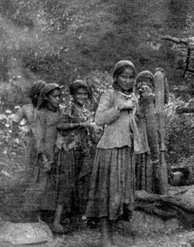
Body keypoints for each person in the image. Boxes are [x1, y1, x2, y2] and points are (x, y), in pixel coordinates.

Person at [85, 60, 141, 247]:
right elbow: (99, 119)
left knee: (119, 194)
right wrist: (120, 108)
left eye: (131, 77)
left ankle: (113, 235)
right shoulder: (109, 95)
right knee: (107, 192)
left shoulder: (133, 97)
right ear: (116, 77)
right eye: (123, 76)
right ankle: (105, 239)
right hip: (109, 150)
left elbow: (131, 124)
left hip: (125, 150)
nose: (127, 80)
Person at [54, 80, 100, 229]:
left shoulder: (85, 110)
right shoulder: (69, 108)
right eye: (79, 93)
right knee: (67, 184)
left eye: (85, 94)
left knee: (82, 184)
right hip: (70, 150)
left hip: (84, 150)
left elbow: (91, 131)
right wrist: (82, 125)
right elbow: (60, 125)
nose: (82, 96)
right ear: (73, 95)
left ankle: (77, 219)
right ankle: (56, 222)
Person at [23, 83, 64, 230]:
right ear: (46, 98)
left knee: (52, 186)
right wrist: (44, 158)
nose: (58, 99)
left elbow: (61, 129)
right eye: (54, 96)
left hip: (57, 151)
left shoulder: (60, 112)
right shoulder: (41, 114)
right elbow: (39, 137)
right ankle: (35, 217)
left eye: (59, 96)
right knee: (40, 183)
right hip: (44, 153)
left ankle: (48, 217)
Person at [10, 80, 47, 174]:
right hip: (32, 140)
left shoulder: (48, 108)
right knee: (31, 164)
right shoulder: (26, 108)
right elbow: (15, 121)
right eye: (39, 95)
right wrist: (16, 136)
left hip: (47, 139)